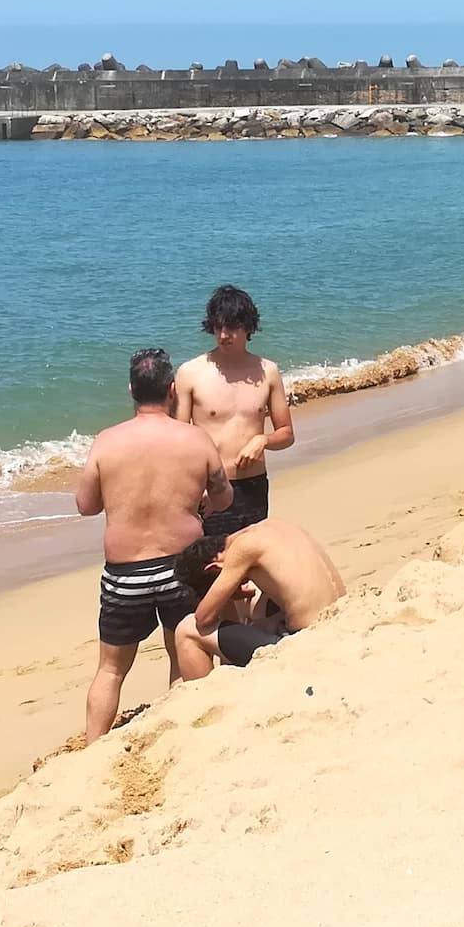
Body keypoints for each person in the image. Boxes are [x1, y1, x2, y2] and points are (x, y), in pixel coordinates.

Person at [75, 346, 234, 743]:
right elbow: (223, 498)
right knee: (181, 648)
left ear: (131, 388)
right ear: (172, 389)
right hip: (182, 566)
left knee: (111, 669)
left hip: (125, 573)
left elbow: (86, 505)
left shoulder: (107, 442)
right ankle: (178, 733)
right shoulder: (195, 439)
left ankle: (94, 749)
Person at [173, 284, 293, 539]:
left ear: (248, 327)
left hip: (254, 486)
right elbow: (179, 441)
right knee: (212, 567)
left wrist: (263, 440)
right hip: (211, 487)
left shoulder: (268, 371)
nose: (224, 335)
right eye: (218, 327)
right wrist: (196, 485)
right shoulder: (191, 373)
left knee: (252, 562)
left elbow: (286, 434)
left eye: (231, 327)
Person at [173, 519, 346, 677]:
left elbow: (202, 618)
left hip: (310, 642)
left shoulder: (242, 548)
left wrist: (227, 595)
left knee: (187, 630)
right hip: (344, 622)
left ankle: (201, 699)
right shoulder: (277, 526)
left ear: (214, 568)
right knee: (255, 611)